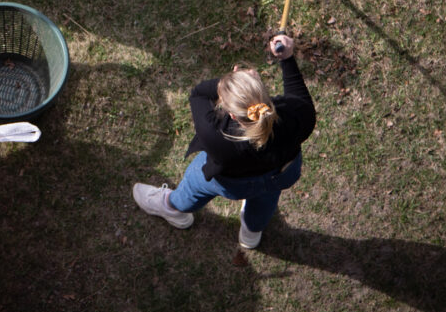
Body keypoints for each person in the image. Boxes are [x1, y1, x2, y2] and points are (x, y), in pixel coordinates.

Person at [132, 34, 316, 248]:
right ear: (263, 96)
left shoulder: (216, 136)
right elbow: (298, 94)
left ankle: (172, 208)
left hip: (233, 183)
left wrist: (229, 85)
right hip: (283, 174)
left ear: (234, 116)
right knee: (266, 198)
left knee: (193, 185)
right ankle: (251, 233)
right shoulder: (297, 115)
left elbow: (199, 94)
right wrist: (287, 58)